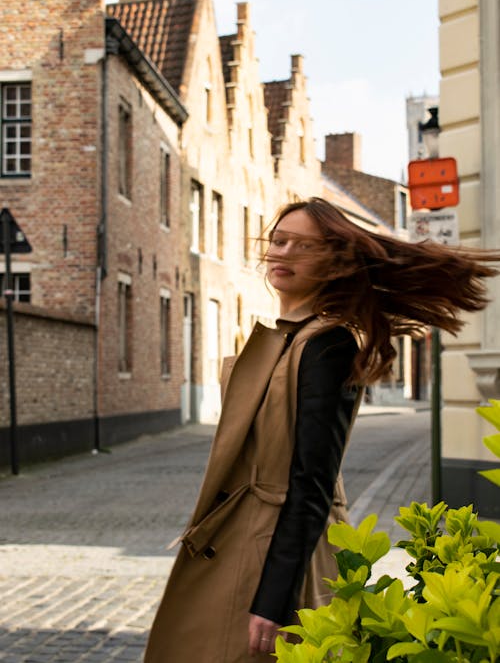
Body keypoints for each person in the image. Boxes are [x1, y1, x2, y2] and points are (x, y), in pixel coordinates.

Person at [144, 197, 499, 663]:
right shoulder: (286, 337)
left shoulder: (327, 344)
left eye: (304, 246)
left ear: (334, 262)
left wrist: (273, 600)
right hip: (237, 541)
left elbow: (312, 482)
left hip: (272, 556)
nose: (284, 253)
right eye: (278, 240)